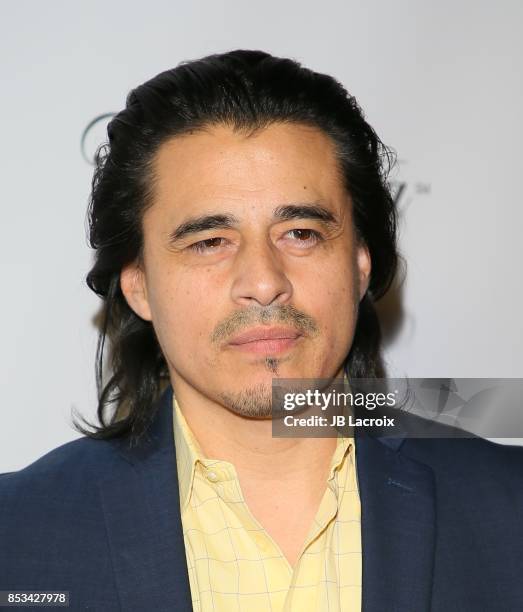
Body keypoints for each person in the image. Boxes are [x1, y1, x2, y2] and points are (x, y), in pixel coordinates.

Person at [1, 50, 522, 612]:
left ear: (361, 264)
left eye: (300, 233)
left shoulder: (508, 509)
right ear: (138, 286)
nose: (264, 282)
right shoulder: (20, 537)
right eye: (209, 242)